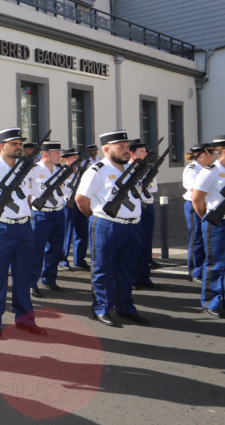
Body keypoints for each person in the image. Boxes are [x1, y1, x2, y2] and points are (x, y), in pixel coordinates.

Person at [0, 128, 46, 339]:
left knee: (24, 276)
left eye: (19, 143)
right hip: (1, 227)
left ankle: (25, 321)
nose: (18, 146)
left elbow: (29, 197)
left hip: (24, 227)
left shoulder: (26, 167)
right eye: (13, 143)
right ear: (1, 146)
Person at [75, 130, 151, 327]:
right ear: (107, 149)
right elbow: (81, 199)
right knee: (103, 269)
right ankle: (101, 307)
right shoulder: (97, 170)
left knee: (127, 270)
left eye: (127, 147)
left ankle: (125, 307)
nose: (127, 151)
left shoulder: (131, 169)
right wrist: (99, 218)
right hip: (107, 226)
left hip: (132, 226)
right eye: (121, 147)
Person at [191, 134, 225, 318]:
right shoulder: (210, 171)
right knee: (215, 265)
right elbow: (197, 199)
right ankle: (211, 302)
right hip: (218, 223)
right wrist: (208, 218)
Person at [27, 142, 67, 297]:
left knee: (56, 249)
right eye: (56, 153)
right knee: (37, 249)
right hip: (41, 214)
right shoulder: (34, 170)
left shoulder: (60, 170)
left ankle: (49, 278)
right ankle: (32, 283)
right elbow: (27, 193)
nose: (60, 156)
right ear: (46, 155)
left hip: (58, 213)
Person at [128, 139, 161, 290]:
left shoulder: (147, 168)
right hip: (134, 208)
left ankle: (144, 276)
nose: (145, 153)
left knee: (147, 242)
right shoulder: (125, 169)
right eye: (141, 151)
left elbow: (153, 189)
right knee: (134, 243)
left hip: (147, 206)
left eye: (145, 151)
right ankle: (132, 277)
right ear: (132, 153)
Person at [183, 143, 213, 284]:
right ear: (203, 154)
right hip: (194, 205)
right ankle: (195, 272)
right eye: (211, 153)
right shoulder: (192, 169)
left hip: (205, 205)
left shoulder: (207, 169)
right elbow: (195, 190)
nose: (214, 156)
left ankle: (202, 270)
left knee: (204, 238)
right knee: (196, 239)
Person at [59, 148, 89, 270]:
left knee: (82, 231)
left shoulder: (82, 171)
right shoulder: (62, 172)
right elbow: (60, 190)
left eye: (77, 157)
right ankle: (63, 259)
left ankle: (79, 259)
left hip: (80, 203)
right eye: (74, 157)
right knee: (67, 232)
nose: (77, 159)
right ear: (66, 159)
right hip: (68, 204)